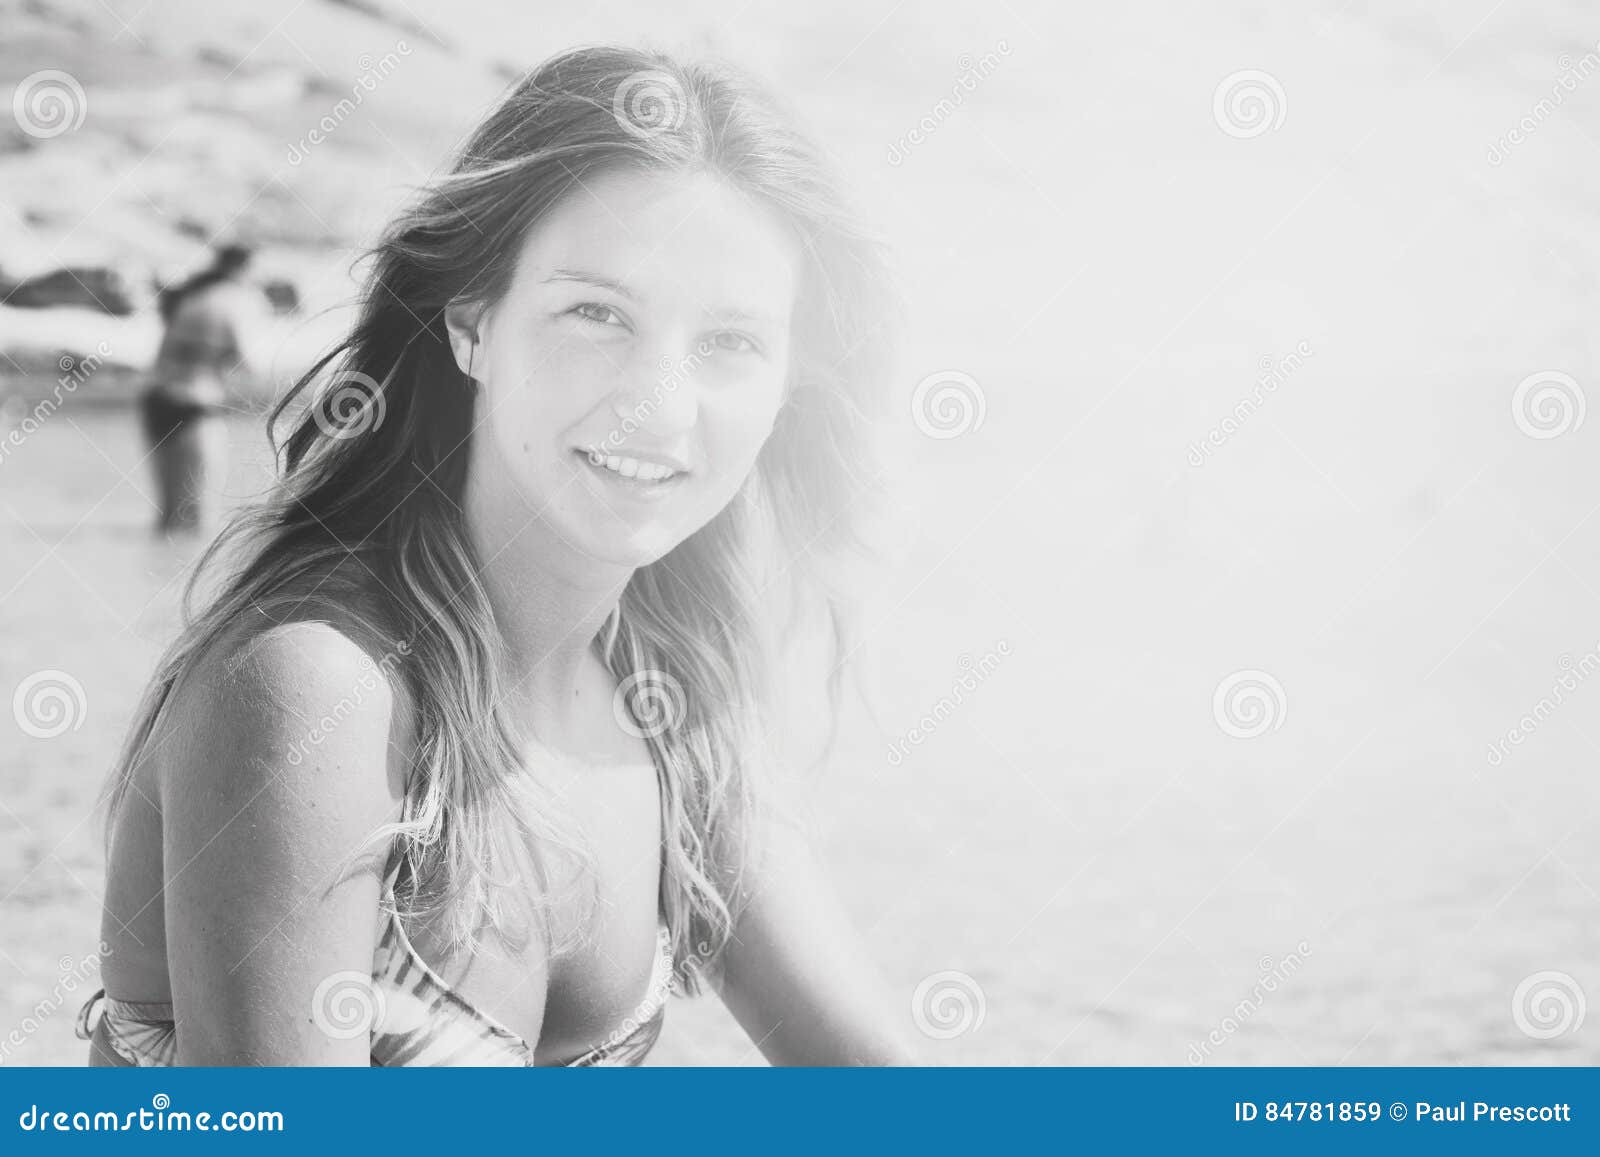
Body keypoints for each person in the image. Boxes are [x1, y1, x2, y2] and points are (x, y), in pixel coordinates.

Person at [77, 45, 920, 1067]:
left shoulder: (674, 708)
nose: (659, 402)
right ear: (472, 324)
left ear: (788, 387)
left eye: (730, 342)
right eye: (596, 314)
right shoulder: (319, 691)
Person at [139, 243, 255, 534]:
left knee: (167, 515)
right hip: (196, 405)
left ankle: (155, 574)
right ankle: (184, 577)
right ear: (240, 269)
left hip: (158, 400)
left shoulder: (189, 298)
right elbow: (248, 361)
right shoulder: (230, 300)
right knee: (199, 516)